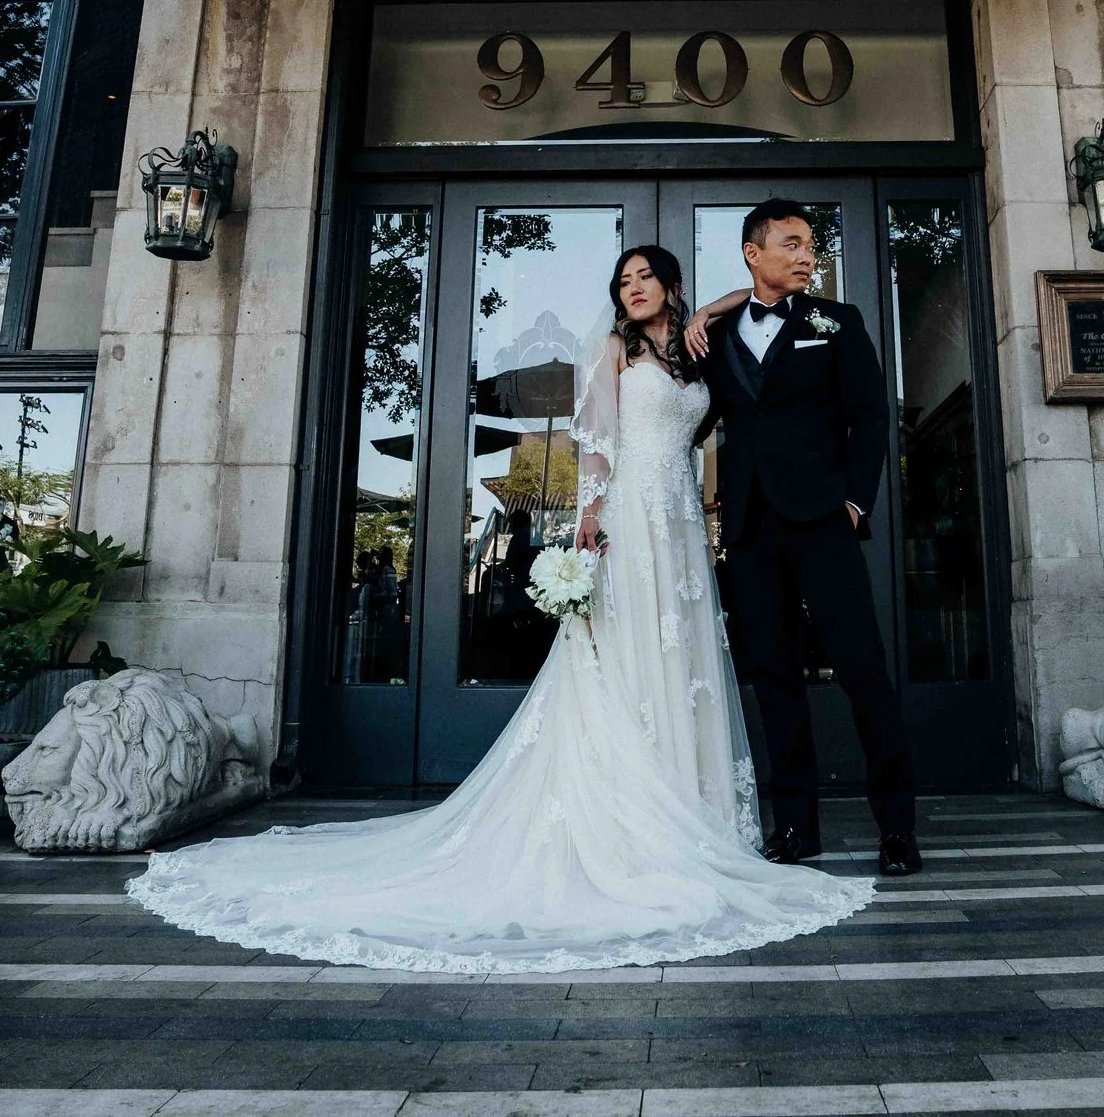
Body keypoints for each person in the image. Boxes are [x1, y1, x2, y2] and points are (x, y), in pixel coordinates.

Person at [126, 244, 872, 973]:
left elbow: (743, 299)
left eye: (647, 277)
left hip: (679, 527)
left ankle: (691, 809)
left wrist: (710, 307)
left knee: (681, 661)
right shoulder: (615, 349)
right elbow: (594, 445)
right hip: (630, 519)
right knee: (624, 656)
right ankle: (625, 818)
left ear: (672, 288)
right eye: (624, 281)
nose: (634, 288)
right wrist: (588, 520)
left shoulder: (693, 349)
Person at [687, 198, 922, 878]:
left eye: (810, 245)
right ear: (753, 252)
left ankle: (897, 828)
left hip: (823, 520)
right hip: (750, 527)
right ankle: (795, 827)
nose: (805, 255)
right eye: (790, 243)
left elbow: (869, 417)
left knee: (862, 670)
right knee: (773, 676)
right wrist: (707, 311)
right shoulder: (718, 335)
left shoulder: (837, 321)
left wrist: (853, 502)